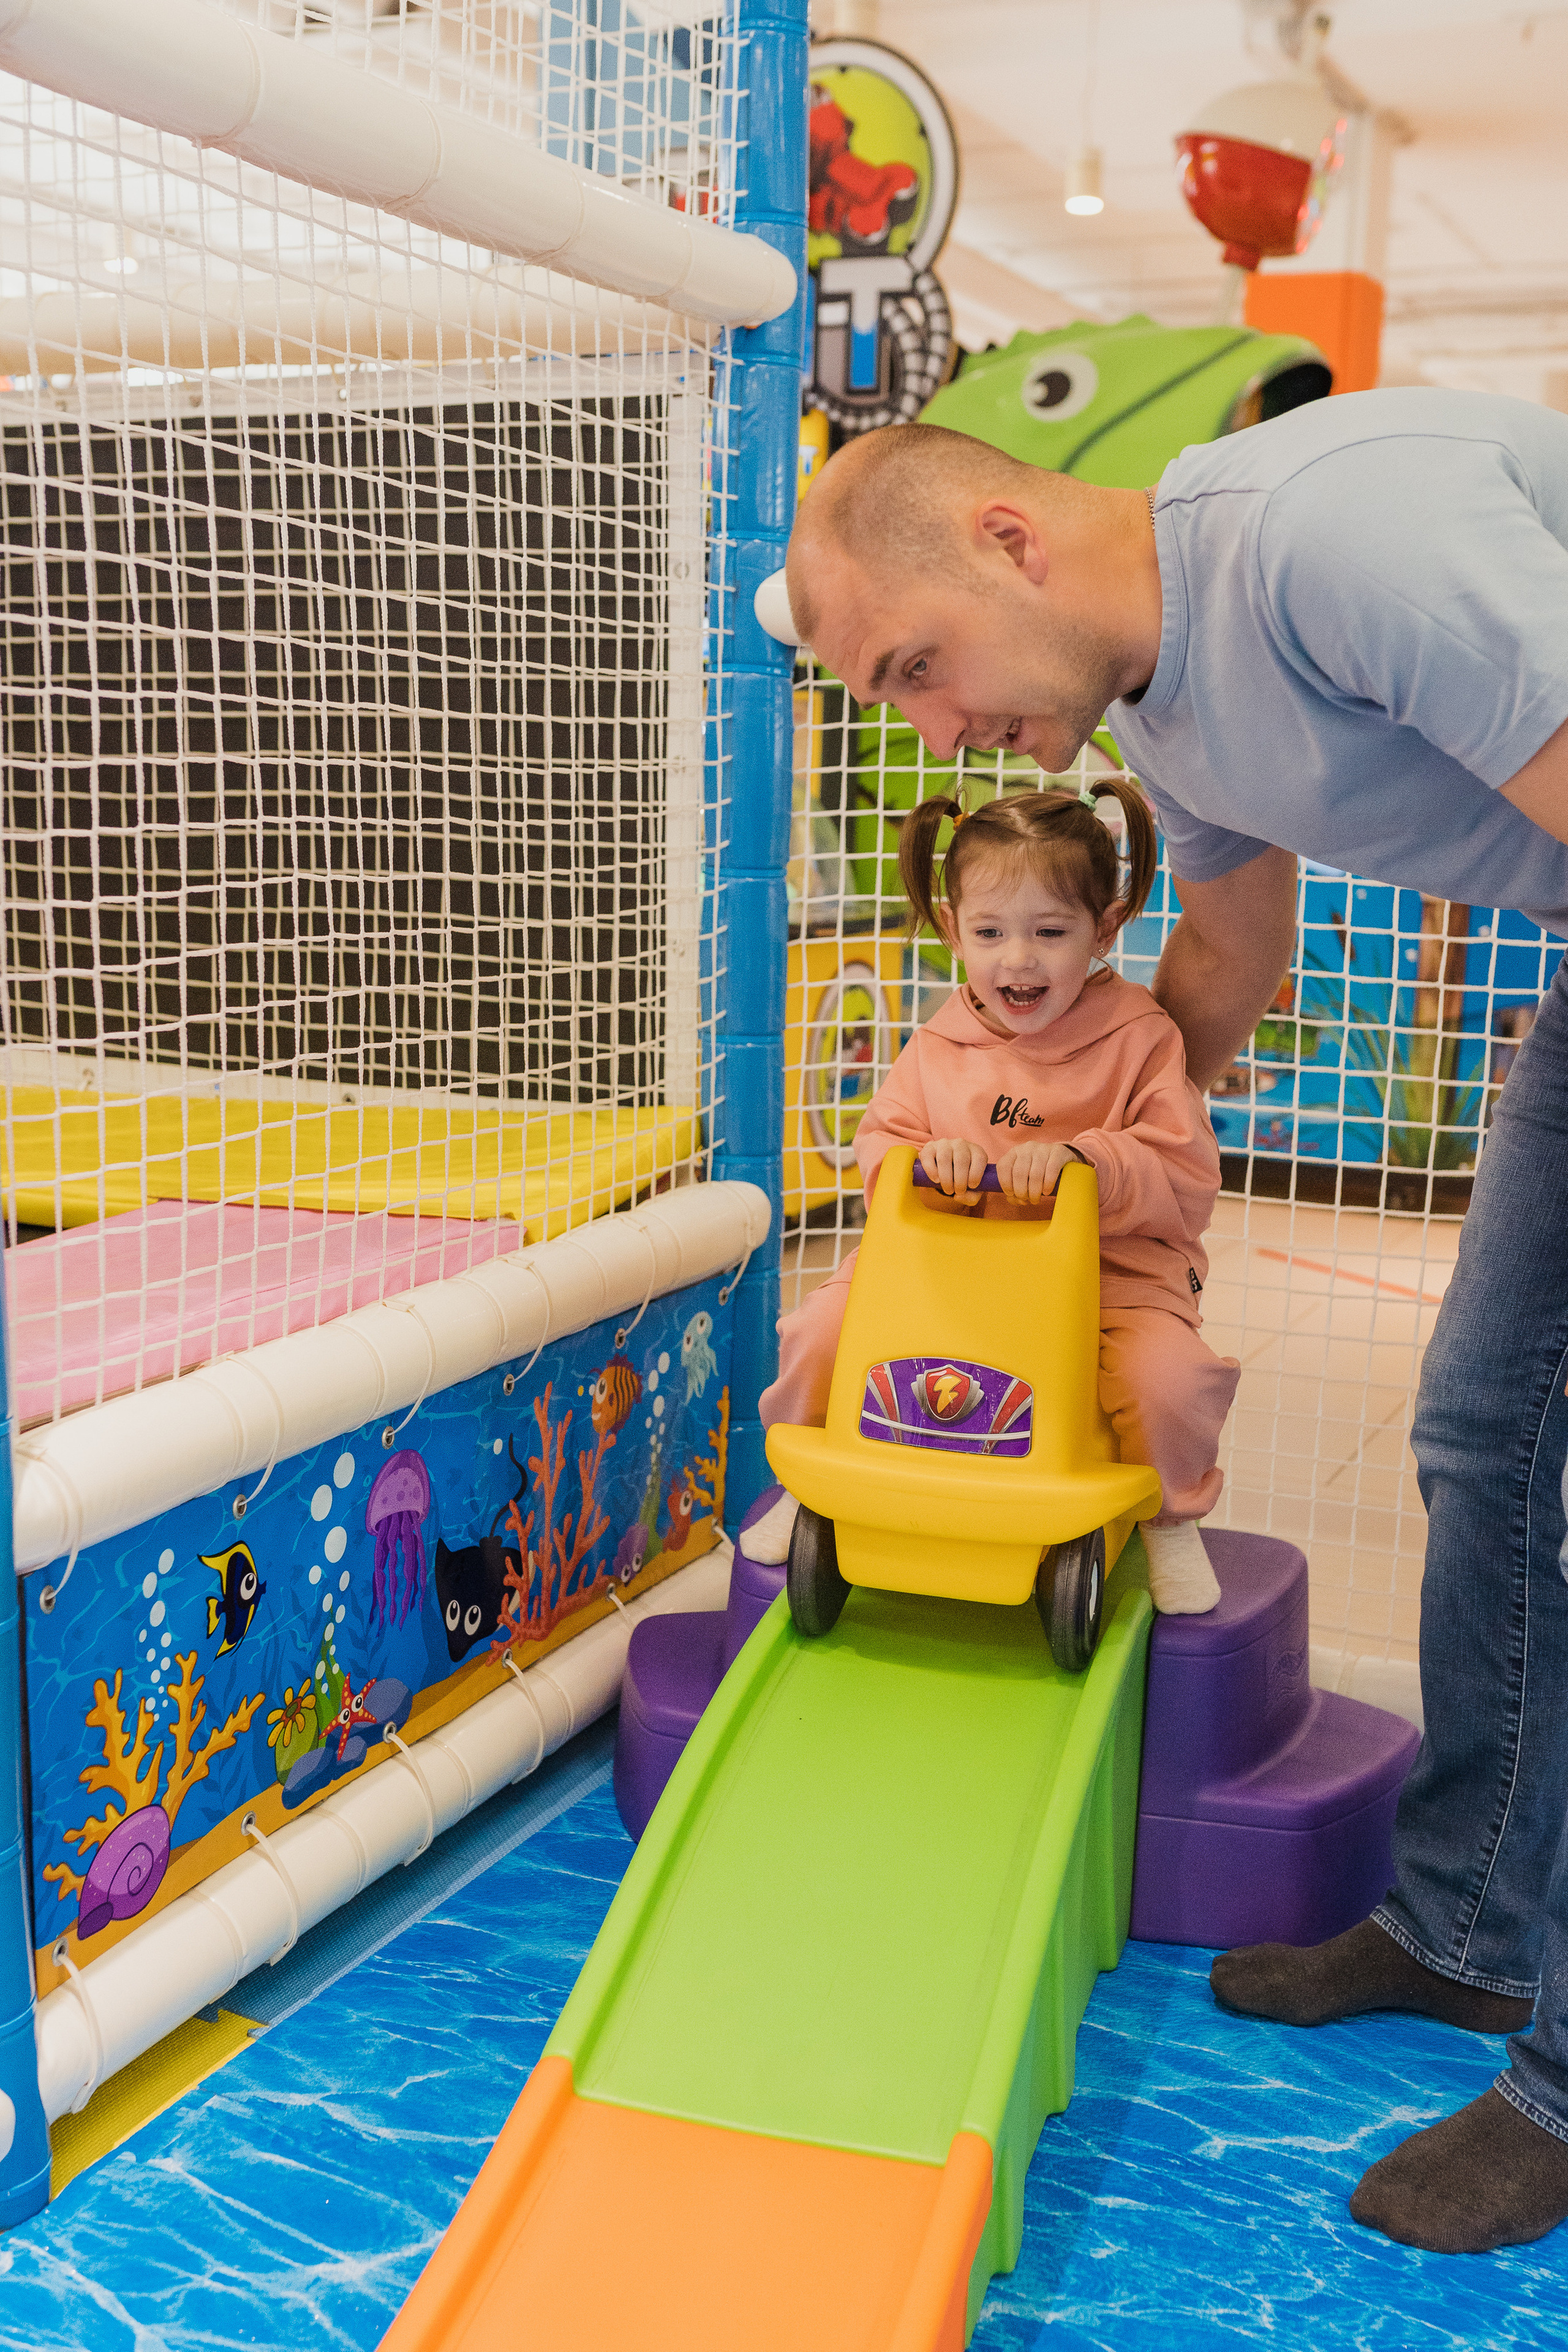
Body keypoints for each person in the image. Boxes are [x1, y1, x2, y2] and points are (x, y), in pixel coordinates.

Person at [783, 391, 1568, 2257]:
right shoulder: (1167, 693)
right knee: (1483, 1439)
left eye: (918, 668)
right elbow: (1224, 960)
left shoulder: (1329, 532)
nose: (935, 732)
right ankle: (1466, 1926)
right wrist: (1094, 1193)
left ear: (1007, 542)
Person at [750, 782, 1240, 1615]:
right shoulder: (939, 1043)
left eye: (1051, 933)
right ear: (953, 931)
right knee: (818, 1332)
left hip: (1108, 1276)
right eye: (991, 933)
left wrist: (1088, 1163)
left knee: (1168, 1380)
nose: (1020, 960)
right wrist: (921, 1161)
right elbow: (881, 1145)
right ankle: (813, 1484)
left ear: (1104, 927)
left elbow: (1185, 1173)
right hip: (947, 1272)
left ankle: (1169, 1519)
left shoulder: (1140, 1036)